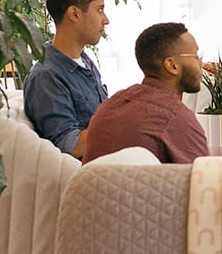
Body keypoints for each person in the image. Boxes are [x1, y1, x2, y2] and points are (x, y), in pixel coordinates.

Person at [78, 22, 213, 164]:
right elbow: (205, 179)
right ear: (172, 65)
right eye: (196, 56)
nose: (201, 64)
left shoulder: (109, 106)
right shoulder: (175, 117)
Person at [23, 0, 112, 157]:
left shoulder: (84, 61)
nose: (106, 20)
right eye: (100, 10)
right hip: (85, 177)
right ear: (74, 14)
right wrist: (124, 121)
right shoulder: (46, 75)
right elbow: (67, 146)